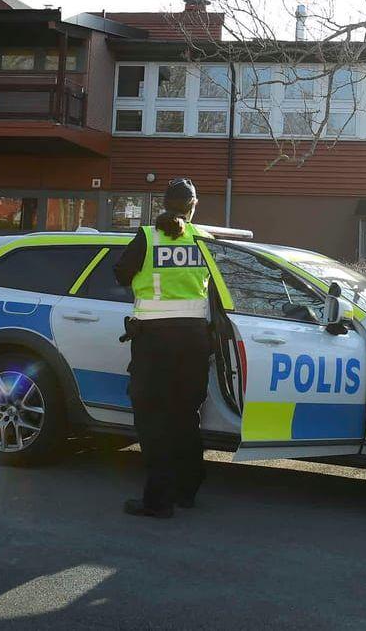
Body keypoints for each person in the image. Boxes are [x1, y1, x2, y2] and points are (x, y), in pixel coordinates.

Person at [114, 177, 214, 519]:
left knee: (154, 420)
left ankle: (158, 500)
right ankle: (188, 491)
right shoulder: (205, 239)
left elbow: (121, 275)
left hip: (155, 342)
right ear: (193, 206)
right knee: (186, 417)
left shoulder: (146, 236)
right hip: (195, 341)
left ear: (164, 203)